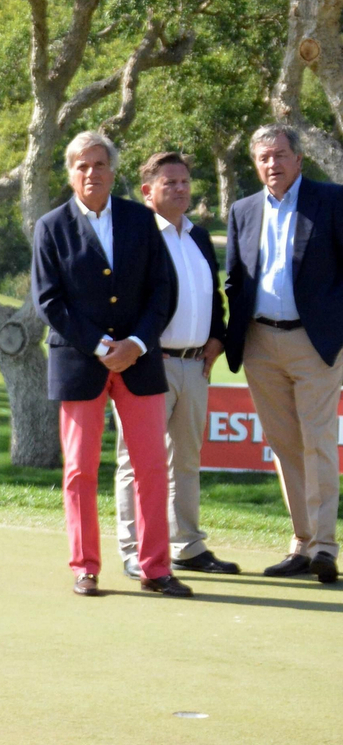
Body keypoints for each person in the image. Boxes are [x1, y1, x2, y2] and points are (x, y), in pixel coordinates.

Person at [32, 132, 190, 598]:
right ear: (69, 172)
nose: (90, 174)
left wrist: (137, 344)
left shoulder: (141, 221)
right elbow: (49, 300)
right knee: (80, 470)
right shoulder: (51, 226)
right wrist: (103, 347)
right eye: (81, 166)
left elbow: (163, 290)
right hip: (80, 363)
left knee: (150, 467)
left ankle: (155, 568)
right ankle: (85, 566)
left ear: (112, 171)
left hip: (140, 363)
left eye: (99, 165)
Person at [223, 124, 343, 586]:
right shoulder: (242, 210)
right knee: (285, 446)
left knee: (318, 442)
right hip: (259, 342)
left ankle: (326, 547)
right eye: (263, 158)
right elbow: (235, 278)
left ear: (298, 159)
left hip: (314, 343)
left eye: (280, 155)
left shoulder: (330, 201)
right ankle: (301, 543)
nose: (272, 164)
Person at [112, 152, 239, 579]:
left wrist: (217, 337)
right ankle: (133, 548)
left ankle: (186, 544)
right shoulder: (135, 234)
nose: (181, 189)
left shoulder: (199, 236)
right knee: (137, 461)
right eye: (170, 182)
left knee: (185, 459)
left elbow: (212, 297)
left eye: (185, 181)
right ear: (147, 191)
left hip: (194, 365)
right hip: (150, 364)